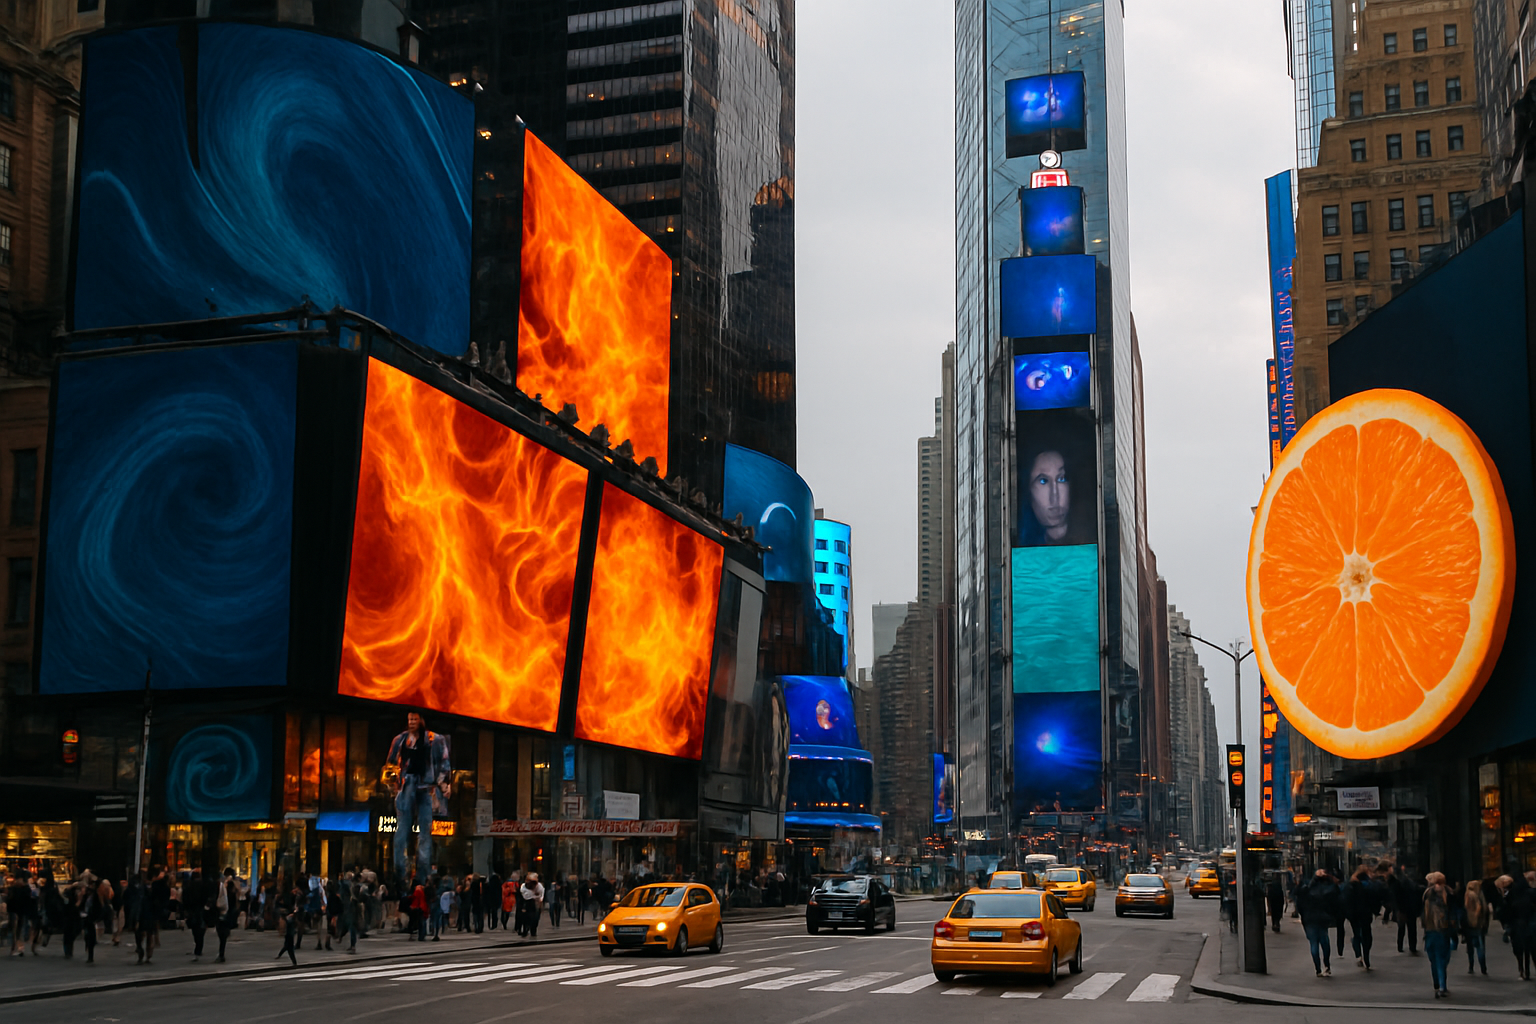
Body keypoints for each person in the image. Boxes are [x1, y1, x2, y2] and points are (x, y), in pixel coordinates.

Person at [382, 711, 452, 882]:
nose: (412, 722)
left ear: (421, 720)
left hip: (426, 787)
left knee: (424, 834)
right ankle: (400, 874)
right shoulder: (400, 740)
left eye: (415, 719)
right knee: (401, 832)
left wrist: (443, 784)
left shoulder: (435, 740)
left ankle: (421, 876)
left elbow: (444, 763)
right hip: (406, 787)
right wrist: (393, 787)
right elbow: (390, 765)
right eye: (409, 719)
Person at [1296, 867, 1343, 977]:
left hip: (1309, 919)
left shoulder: (1306, 888)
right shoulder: (1328, 889)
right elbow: (1336, 901)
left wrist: (1303, 915)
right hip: (1323, 918)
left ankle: (1318, 969)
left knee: (1313, 943)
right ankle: (1327, 965)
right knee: (1324, 941)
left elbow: (1299, 902)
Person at [1343, 865, 1382, 970]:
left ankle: (1358, 955)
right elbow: (1375, 898)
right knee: (1367, 936)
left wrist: (1347, 913)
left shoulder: (1349, 885)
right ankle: (1366, 956)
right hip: (1365, 913)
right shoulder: (1368, 885)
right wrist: (1375, 910)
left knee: (1357, 934)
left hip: (1353, 915)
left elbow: (1345, 899)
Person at [1423, 871, 1454, 998]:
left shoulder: (1427, 895)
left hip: (1430, 930)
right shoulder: (1449, 894)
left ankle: (1437, 985)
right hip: (1444, 930)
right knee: (1442, 960)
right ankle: (1442, 985)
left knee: (1434, 960)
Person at [1392, 864, 1424, 955]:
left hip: (1403, 909)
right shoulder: (1410, 883)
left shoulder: (1398, 883)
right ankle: (1412, 946)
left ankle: (1400, 946)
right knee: (1412, 928)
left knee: (1401, 928)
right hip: (1411, 908)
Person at [1464, 878, 1489, 976]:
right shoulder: (1480, 896)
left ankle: (1471, 965)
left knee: (1470, 946)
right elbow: (1484, 909)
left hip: (1469, 924)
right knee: (1480, 946)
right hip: (1479, 924)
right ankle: (1483, 967)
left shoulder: (1468, 895)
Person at [214, 868, 239, 963]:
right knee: (222, 934)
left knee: (222, 933)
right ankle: (221, 953)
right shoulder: (224, 885)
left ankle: (221, 954)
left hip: (225, 911)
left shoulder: (226, 885)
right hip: (228, 911)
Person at [183, 870, 208, 961]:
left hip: (192, 910)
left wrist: (185, 909)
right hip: (200, 909)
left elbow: (185, 898)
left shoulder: (188, 886)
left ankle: (197, 944)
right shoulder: (203, 886)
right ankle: (199, 947)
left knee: (195, 929)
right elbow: (205, 897)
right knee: (201, 928)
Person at [275, 898, 299, 966]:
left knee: (289, 949)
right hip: (289, 935)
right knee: (287, 947)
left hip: (289, 935)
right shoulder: (290, 919)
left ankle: (294, 962)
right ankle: (293, 961)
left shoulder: (290, 919)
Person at [520, 872, 544, 939]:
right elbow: (525, 896)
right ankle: (526, 930)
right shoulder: (524, 887)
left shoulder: (539, 886)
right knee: (526, 918)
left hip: (535, 904)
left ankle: (533, 931)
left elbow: (540, 895)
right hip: (528, 904)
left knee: (535, 918)